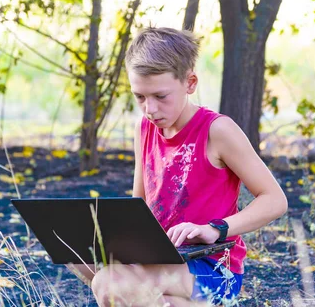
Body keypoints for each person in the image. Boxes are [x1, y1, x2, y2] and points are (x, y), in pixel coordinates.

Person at [73, 27, 288, 306]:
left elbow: (275, 200)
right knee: (77, 253)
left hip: (212, 268)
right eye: (140, 97)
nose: (150, 109)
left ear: (190, 83)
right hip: (159, 259)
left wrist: (216, 228)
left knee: (109, 283)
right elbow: (139, 205)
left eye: (161, 96)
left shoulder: (217, 130)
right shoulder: (145, 129)